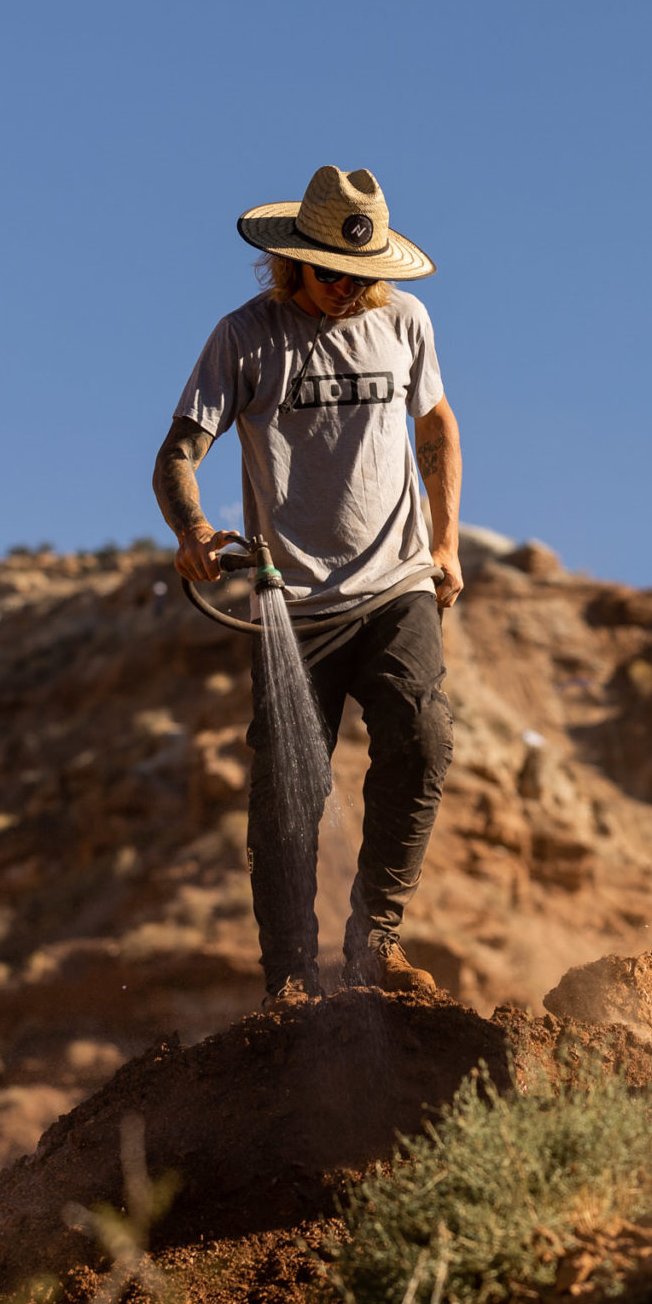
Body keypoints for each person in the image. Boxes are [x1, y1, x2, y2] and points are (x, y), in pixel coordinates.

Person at [152, 165, 462, 1003]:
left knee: (424, 738)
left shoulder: (406, 321)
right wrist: (193, 531)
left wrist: (445, 541)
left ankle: (378, 938)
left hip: (396, 580)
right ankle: (290, 977)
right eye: (332, 275)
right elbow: (179, 451)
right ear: (293, 262)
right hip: (292, 604)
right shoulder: (244, 337)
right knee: (291, 787)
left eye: (363, 277)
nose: (347, 291)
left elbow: (435, 425)